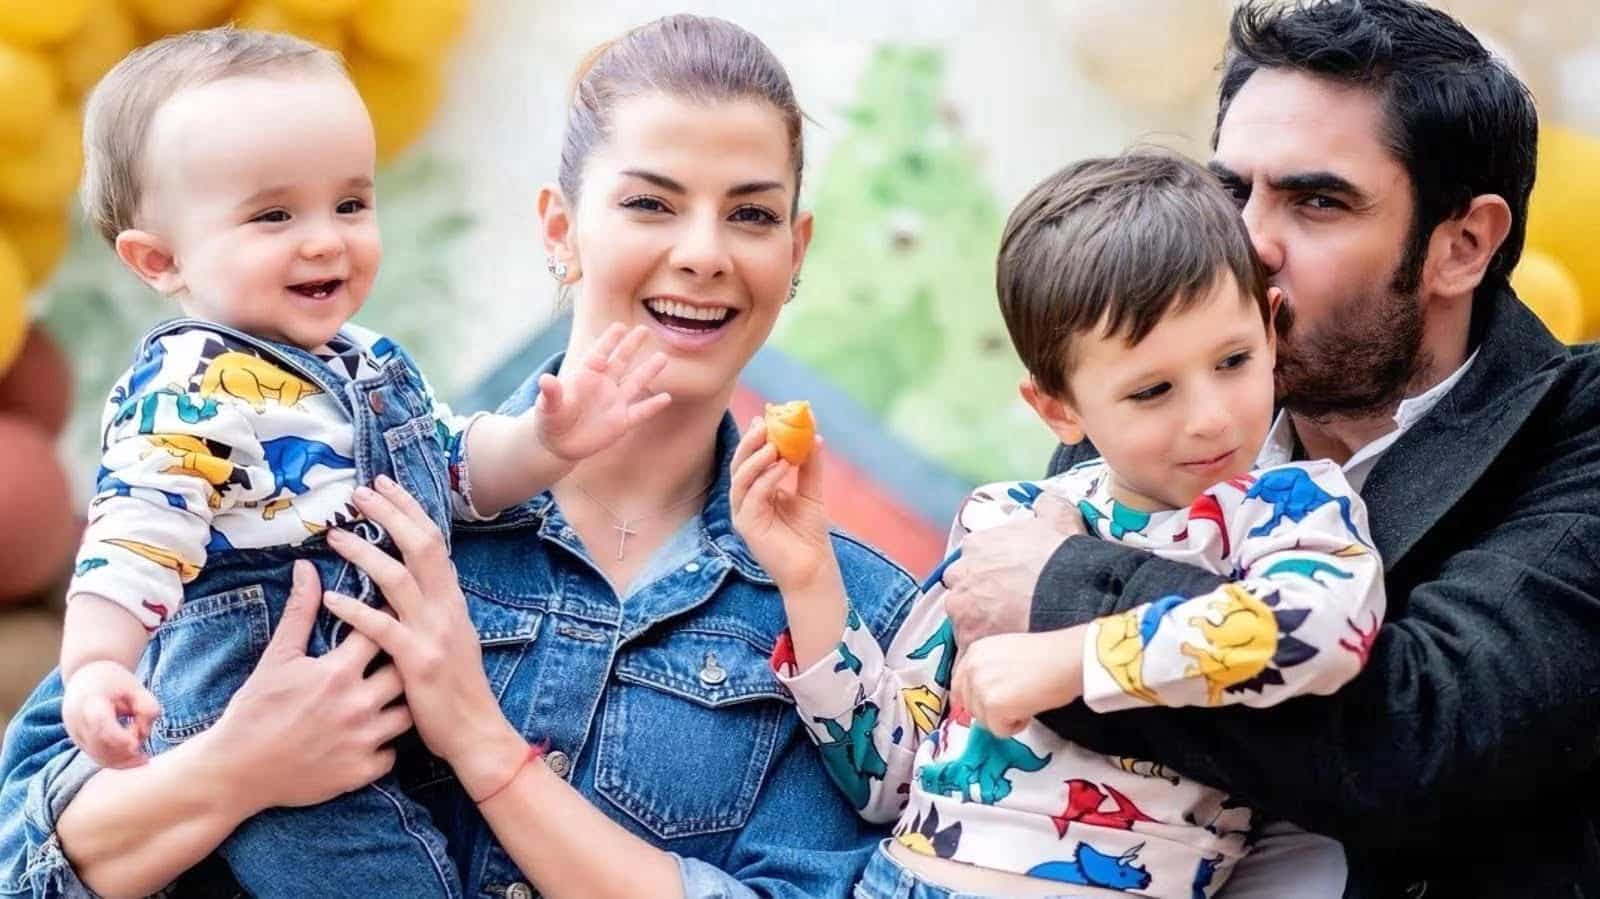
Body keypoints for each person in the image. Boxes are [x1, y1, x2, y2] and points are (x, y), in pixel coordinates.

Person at [0, 14, 919, 899]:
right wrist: (235, 768)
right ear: (560, 230)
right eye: (650, 203)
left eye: (751, 214)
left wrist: (479, 737)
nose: (704, 254)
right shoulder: (333, 480)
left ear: (795, 250)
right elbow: (22, 857)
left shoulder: (851, 628)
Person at [940, 2, 1600, 896]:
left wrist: (1065, 599)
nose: (1247, 244)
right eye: (1231, 192)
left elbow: (1427, 737)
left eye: (1316, 201)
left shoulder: (1575, 426)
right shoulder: (1169, 397)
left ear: (1462, 244)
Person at [52, 26, 673, 899]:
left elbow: (454, 473)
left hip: (371, 709)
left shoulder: (367, 362)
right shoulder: (191, 388)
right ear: (160, 259)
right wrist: (96, 668)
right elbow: (130, 539)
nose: (325, 241)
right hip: (261, 712)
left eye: (349, 204)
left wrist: (544, 441)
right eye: (274, 216)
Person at [734, 151, 1382, 898]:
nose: (1209, 417)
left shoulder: (1291, 508)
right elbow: (888, 775)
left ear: (1270, 330)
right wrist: (809, 575)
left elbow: (1321, 627)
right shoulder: (1002, 521)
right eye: (1152, 390)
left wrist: (1074, 657)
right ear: (1057, 408)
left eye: (1233, 360)